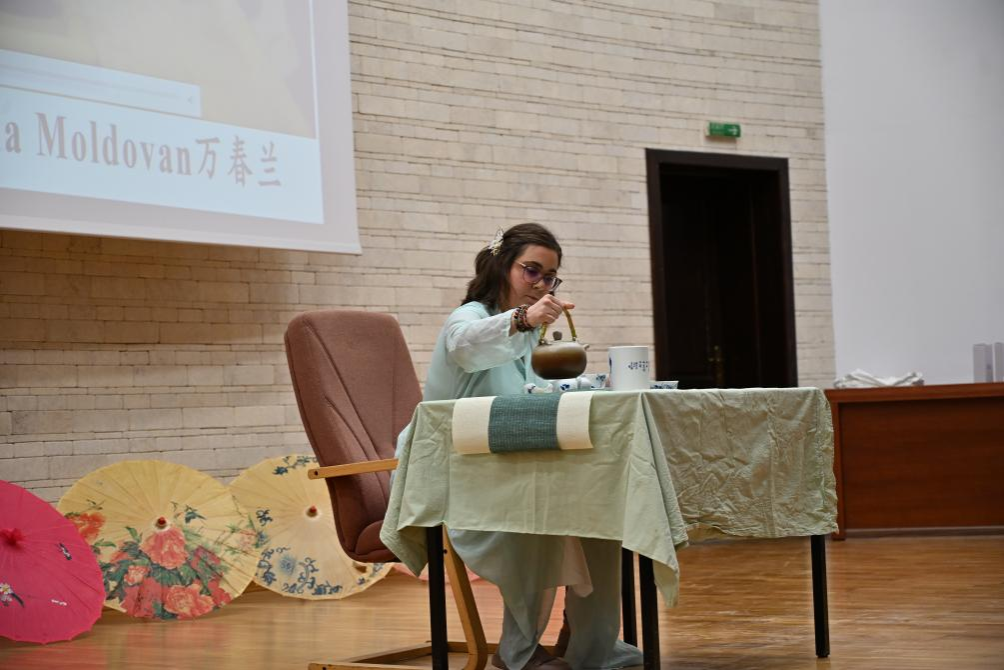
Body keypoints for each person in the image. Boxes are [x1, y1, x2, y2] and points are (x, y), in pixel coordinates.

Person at [401, 223, 643, 670]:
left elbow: (537, 394)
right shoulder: (470, 318)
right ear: (502, 266)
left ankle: (591, 641)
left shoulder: (531, 334)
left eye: (550, 277)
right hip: (460, 470)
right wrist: (523, 320)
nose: (541, 284)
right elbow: (466, 348)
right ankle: (520, 651)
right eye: (531, 271)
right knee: (534, 510)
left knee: (601, 509)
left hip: (515, 461)